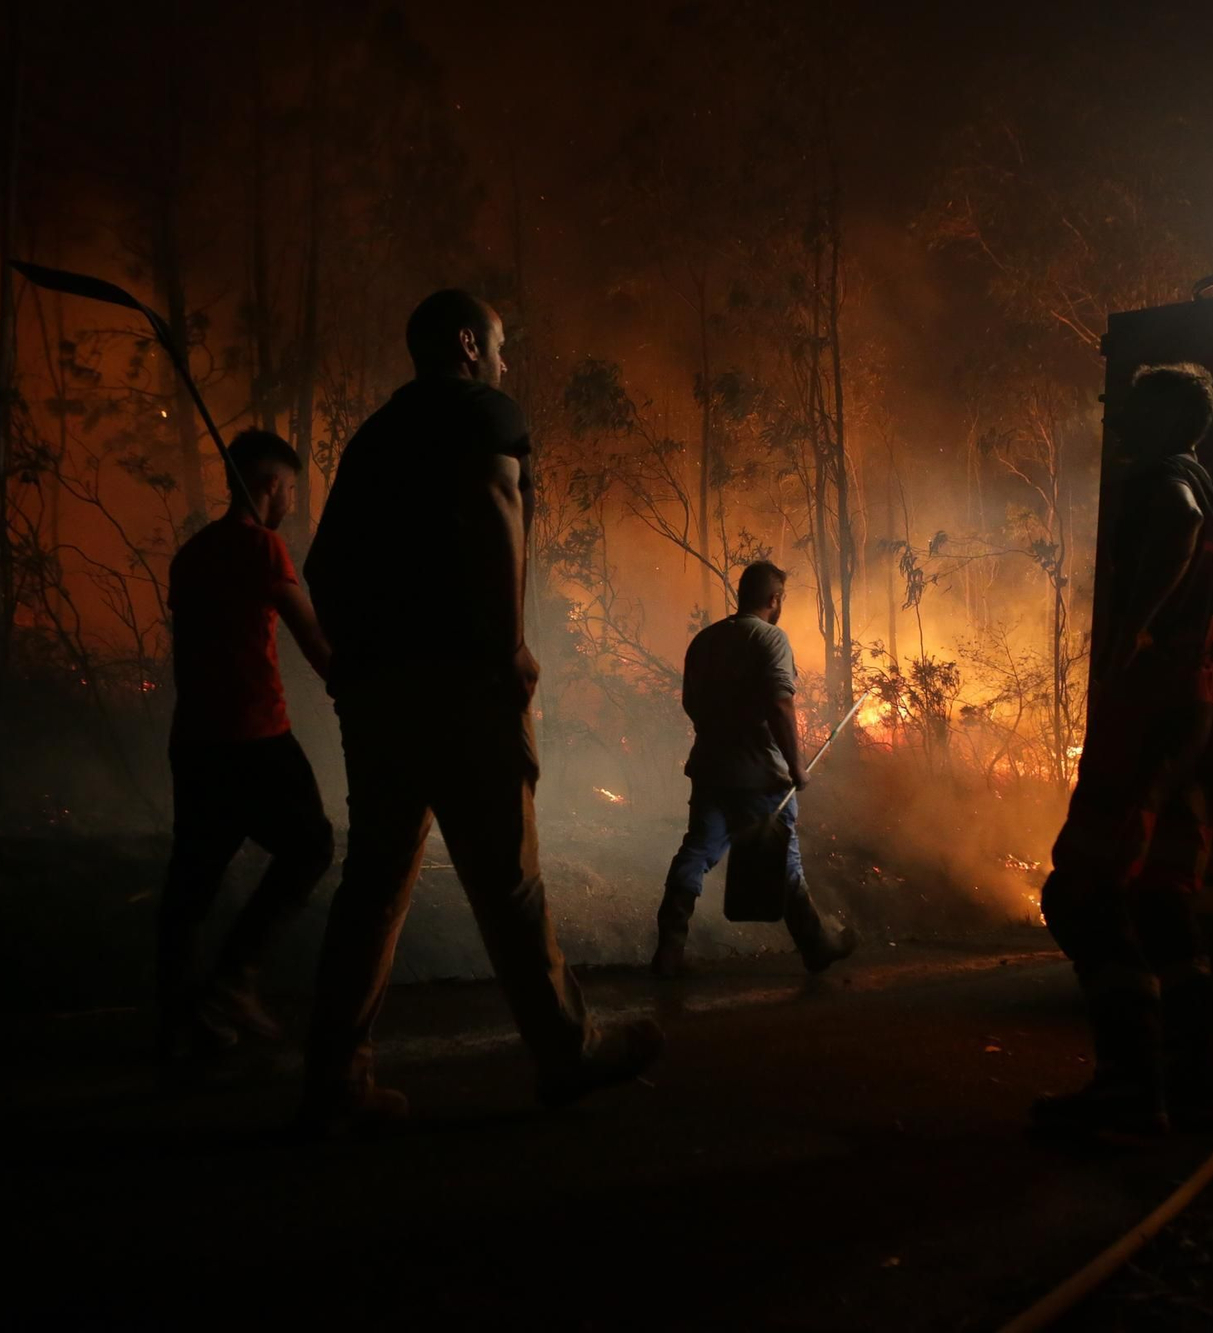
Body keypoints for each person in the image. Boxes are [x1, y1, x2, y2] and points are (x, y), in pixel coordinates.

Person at [301, 288, 663, 1131]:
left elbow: (321, 570)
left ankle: (335, 1079)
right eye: (499, 345)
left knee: (375, 884)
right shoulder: (481, 411)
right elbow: (499, 510)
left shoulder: (374, 437)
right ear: (467, 344)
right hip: (464, 687)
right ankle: (566, 1054)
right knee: (509, 879)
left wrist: (353, 663)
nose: (505, 362)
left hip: (378, 695)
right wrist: (506, 650)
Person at [1033, 363, 1213, 1140]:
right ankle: (1194, 1095)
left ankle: (1129, 1089)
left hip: (1151, 707)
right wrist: (1201, 681)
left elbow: (1172, 525)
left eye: (1132, 408)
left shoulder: (1166, 481)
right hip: (1203, 719)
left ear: (1168, 417)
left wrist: (1138, 631)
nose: (1120, 422)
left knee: (1083, 890)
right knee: (1162, 897)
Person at [157, 430, 337, 1059]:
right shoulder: (263, 548)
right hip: (256, 736)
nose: (290, 500)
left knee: (192, 884)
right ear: (267, 486)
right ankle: (235, 979)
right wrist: (356, 686)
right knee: (311, 845)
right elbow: (313, 638)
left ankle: (182, 1026)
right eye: (288, 489)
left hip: (196, 741)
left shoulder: (192, 554)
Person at [650, 560, 858, 979]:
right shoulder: (770, 638)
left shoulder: (705, 641)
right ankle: (816, 946)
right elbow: (780, 705)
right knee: (784, 861)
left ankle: (669, 950)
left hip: (710, 770)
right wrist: (797, 766)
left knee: (696, 851)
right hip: (760, 776)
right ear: (774, 599)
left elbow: (690, 703)